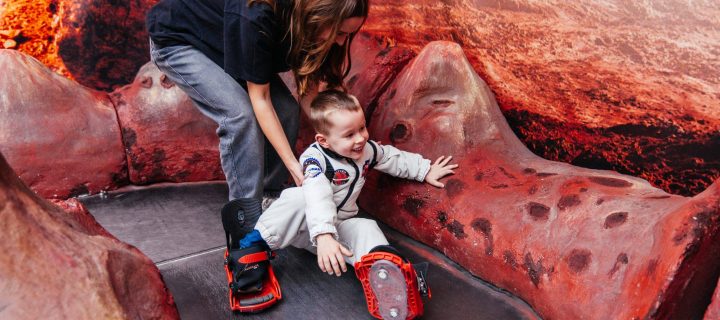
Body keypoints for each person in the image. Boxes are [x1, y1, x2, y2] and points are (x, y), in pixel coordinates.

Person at [224, 90, 458, 318]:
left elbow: (389, 156)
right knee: (297, 198)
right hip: (307, 227)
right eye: (349, 135)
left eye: (362, 128)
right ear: (323, 141)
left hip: (337, 232)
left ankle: (386, 276)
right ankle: (251, 246)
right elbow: (318, 194)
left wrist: (424, 169)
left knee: (367, 227)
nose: (360, 138)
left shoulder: (365, 151)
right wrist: (323, 234)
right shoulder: (314, 160)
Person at [145, 0, 369, 234]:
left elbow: (308, 89)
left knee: (286, 111)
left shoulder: (309, 26)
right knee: (240, 116)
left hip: (229, 44)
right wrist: (293, 165)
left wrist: (338, 134)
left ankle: (269, 197)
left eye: (348, 35)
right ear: (319, 16)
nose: (342, 41)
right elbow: (260, 100)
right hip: (181, 41)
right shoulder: (257, 14)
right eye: (340, 32)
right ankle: (244, 220)